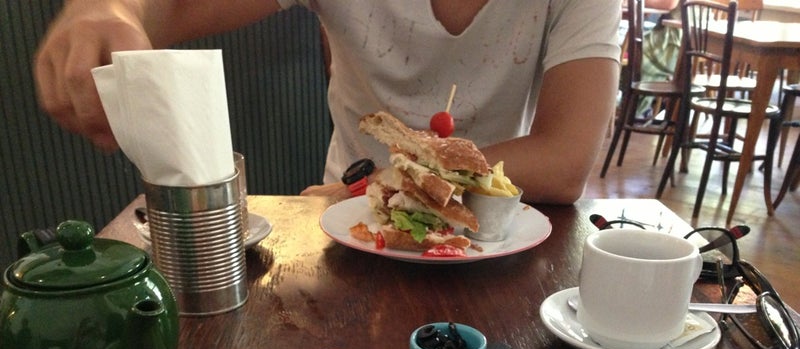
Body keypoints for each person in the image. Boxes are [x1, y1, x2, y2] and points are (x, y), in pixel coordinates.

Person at [33, 0, 621, 205]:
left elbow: (565, 160)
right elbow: (168, 9)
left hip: (501, 227)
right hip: (348, 225)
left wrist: (398, 181)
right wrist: (110, 9)